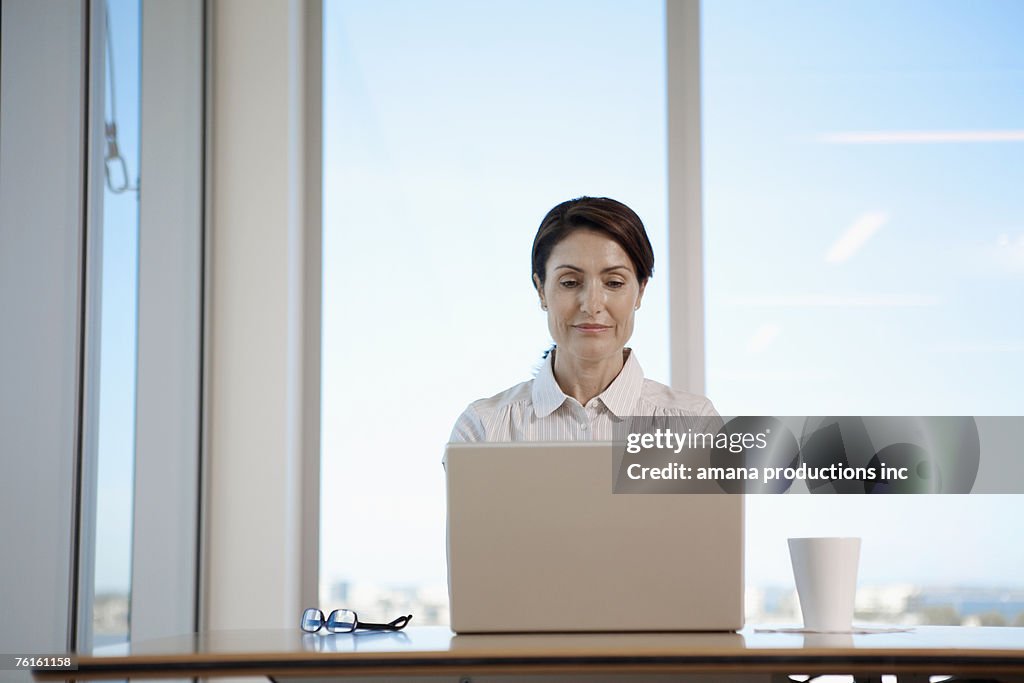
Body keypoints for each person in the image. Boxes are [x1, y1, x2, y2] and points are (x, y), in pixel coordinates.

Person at [449, 196, 717, 443]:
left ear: (641, 290)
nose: (591, 305)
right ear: (541, 290)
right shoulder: (484, 428)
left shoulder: (695, 425)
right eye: (569, 282)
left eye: (613, 282)